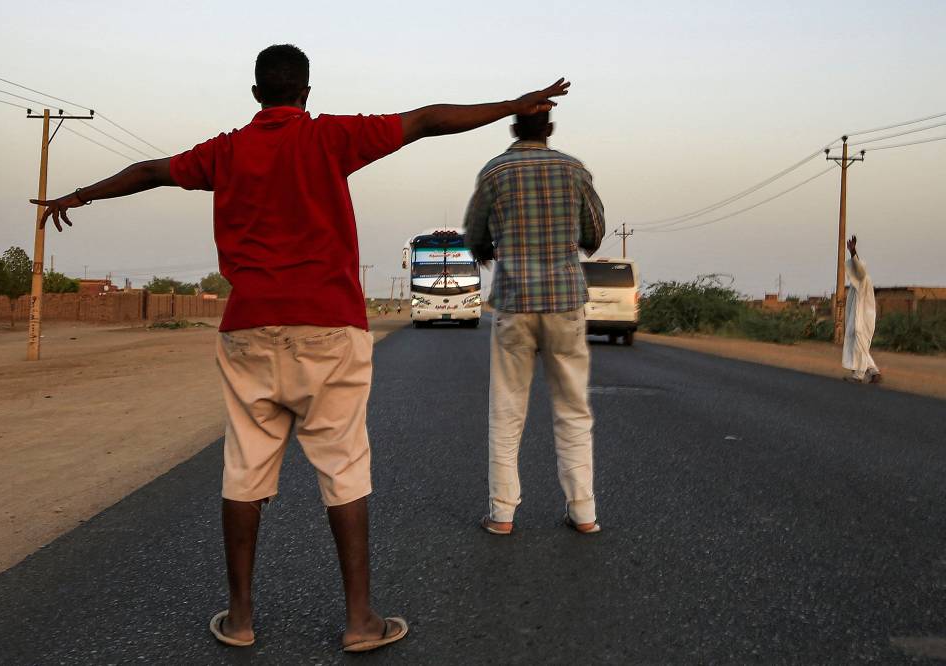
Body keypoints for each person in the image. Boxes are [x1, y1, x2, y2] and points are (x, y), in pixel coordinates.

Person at [31, 44, 570, 654]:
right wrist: (513, 103)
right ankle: (360, 621)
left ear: (257, 93)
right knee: (343, 465)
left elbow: (152, 170)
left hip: (248, 330)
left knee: (244, 468)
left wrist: (78, 195)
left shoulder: (226, 151)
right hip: (329, 328)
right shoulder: (330, 139)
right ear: (307, 93)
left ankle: (239, 619)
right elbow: (425, 120)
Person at [464, 110, 605, 536]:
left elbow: (473, 235)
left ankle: (502, 513)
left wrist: (495, 245)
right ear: (549, 129)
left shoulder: (494, 171)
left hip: (513, 300)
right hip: (564, 302)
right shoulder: (574, 169)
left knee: (506, 412)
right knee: (573, 410)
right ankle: (583, 512)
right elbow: (594, 233)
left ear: (513, 129)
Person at [843, 235, 881, 384]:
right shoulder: (857, 282)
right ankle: (873, 371)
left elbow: (859, 269)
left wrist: (853, 252)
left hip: (862, 318)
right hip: (859, 318)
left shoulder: (863, 279)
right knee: (861, 347)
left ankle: (858, 376)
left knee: (859, 345)